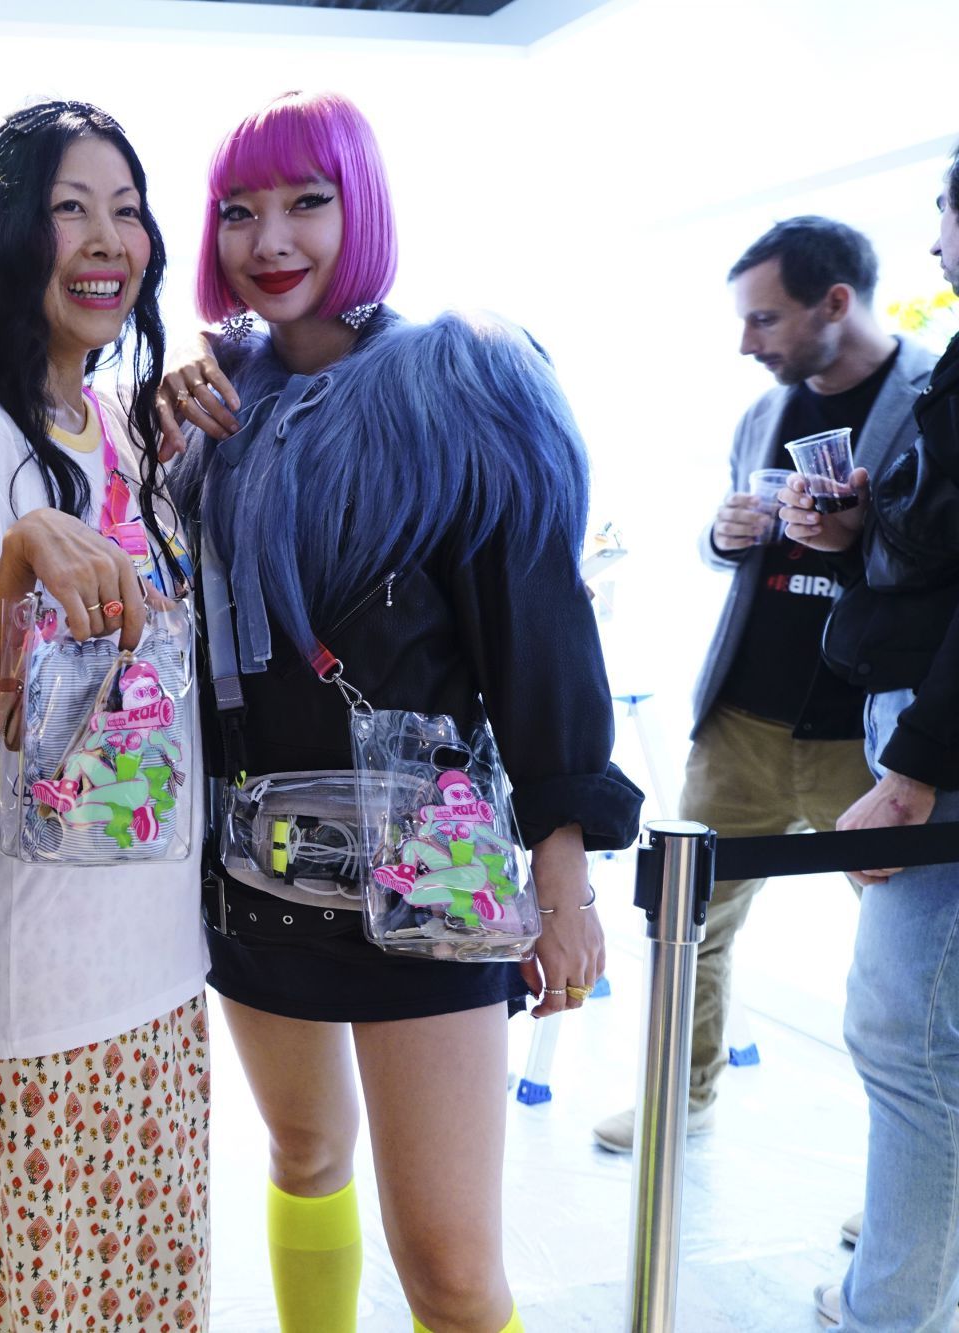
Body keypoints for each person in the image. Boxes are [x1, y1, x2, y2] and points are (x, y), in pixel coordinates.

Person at [167, 90, 642, 1333]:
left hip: (430, 877)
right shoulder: (206, 410)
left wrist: (563, 883)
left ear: (360, 207)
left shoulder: (457, 385)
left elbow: (537, 637)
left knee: (448, 1266)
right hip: (256, 865)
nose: (270, 239)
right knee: (303, 1155)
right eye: (238, 211)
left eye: (305, 203)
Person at [0, 100, 210, 1332]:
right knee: (45, 1303)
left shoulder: (125, 423)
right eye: (66, 209)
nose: (103, 240)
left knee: (150, 1297)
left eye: (124, 211)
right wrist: (16, 558)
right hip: (42, 981)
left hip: (164, 956)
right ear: (3, 239)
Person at [591, 217, 939, 1156]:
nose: (748, 343)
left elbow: (932, 564)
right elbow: (736, 544)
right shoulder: (766, 408)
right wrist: (723, 534)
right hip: (742, 720)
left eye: (765, 318)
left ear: (836, 303)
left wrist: (858, 531)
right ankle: (680, 1099)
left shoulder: (930, 399)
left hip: (866, 737)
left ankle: (913, 1177)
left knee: (905, 970)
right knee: (688, 925)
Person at [792, 141, 959, 1333]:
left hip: (937, 741)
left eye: (943, 215)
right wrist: (861, 529)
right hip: (918, 718)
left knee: (903, 1032)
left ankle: (888, 1310)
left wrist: (909, 774)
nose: (937, 242)